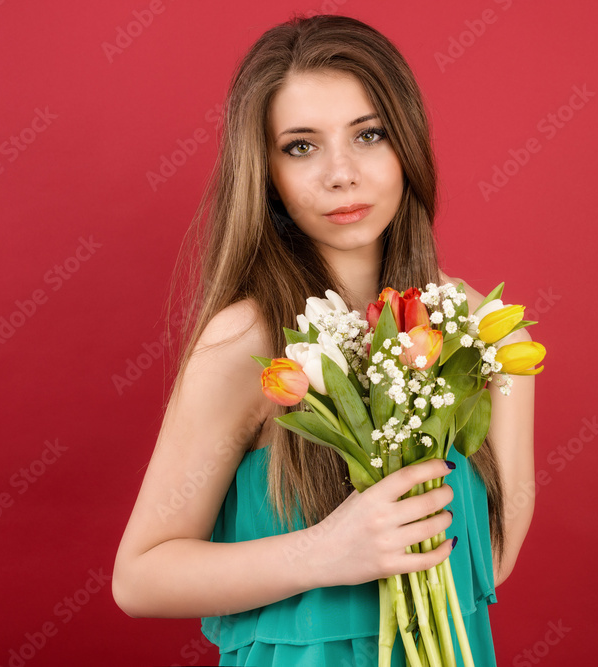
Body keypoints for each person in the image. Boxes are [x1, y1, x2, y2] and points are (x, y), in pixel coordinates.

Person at [113, 13, 536, 667]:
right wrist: (328, 552)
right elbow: (139, 577)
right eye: (300, 146)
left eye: (369, 134)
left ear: (409, 146)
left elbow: (494, 560)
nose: (341, 174)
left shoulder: (480, 330)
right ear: (267, 172)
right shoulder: (247, 342)